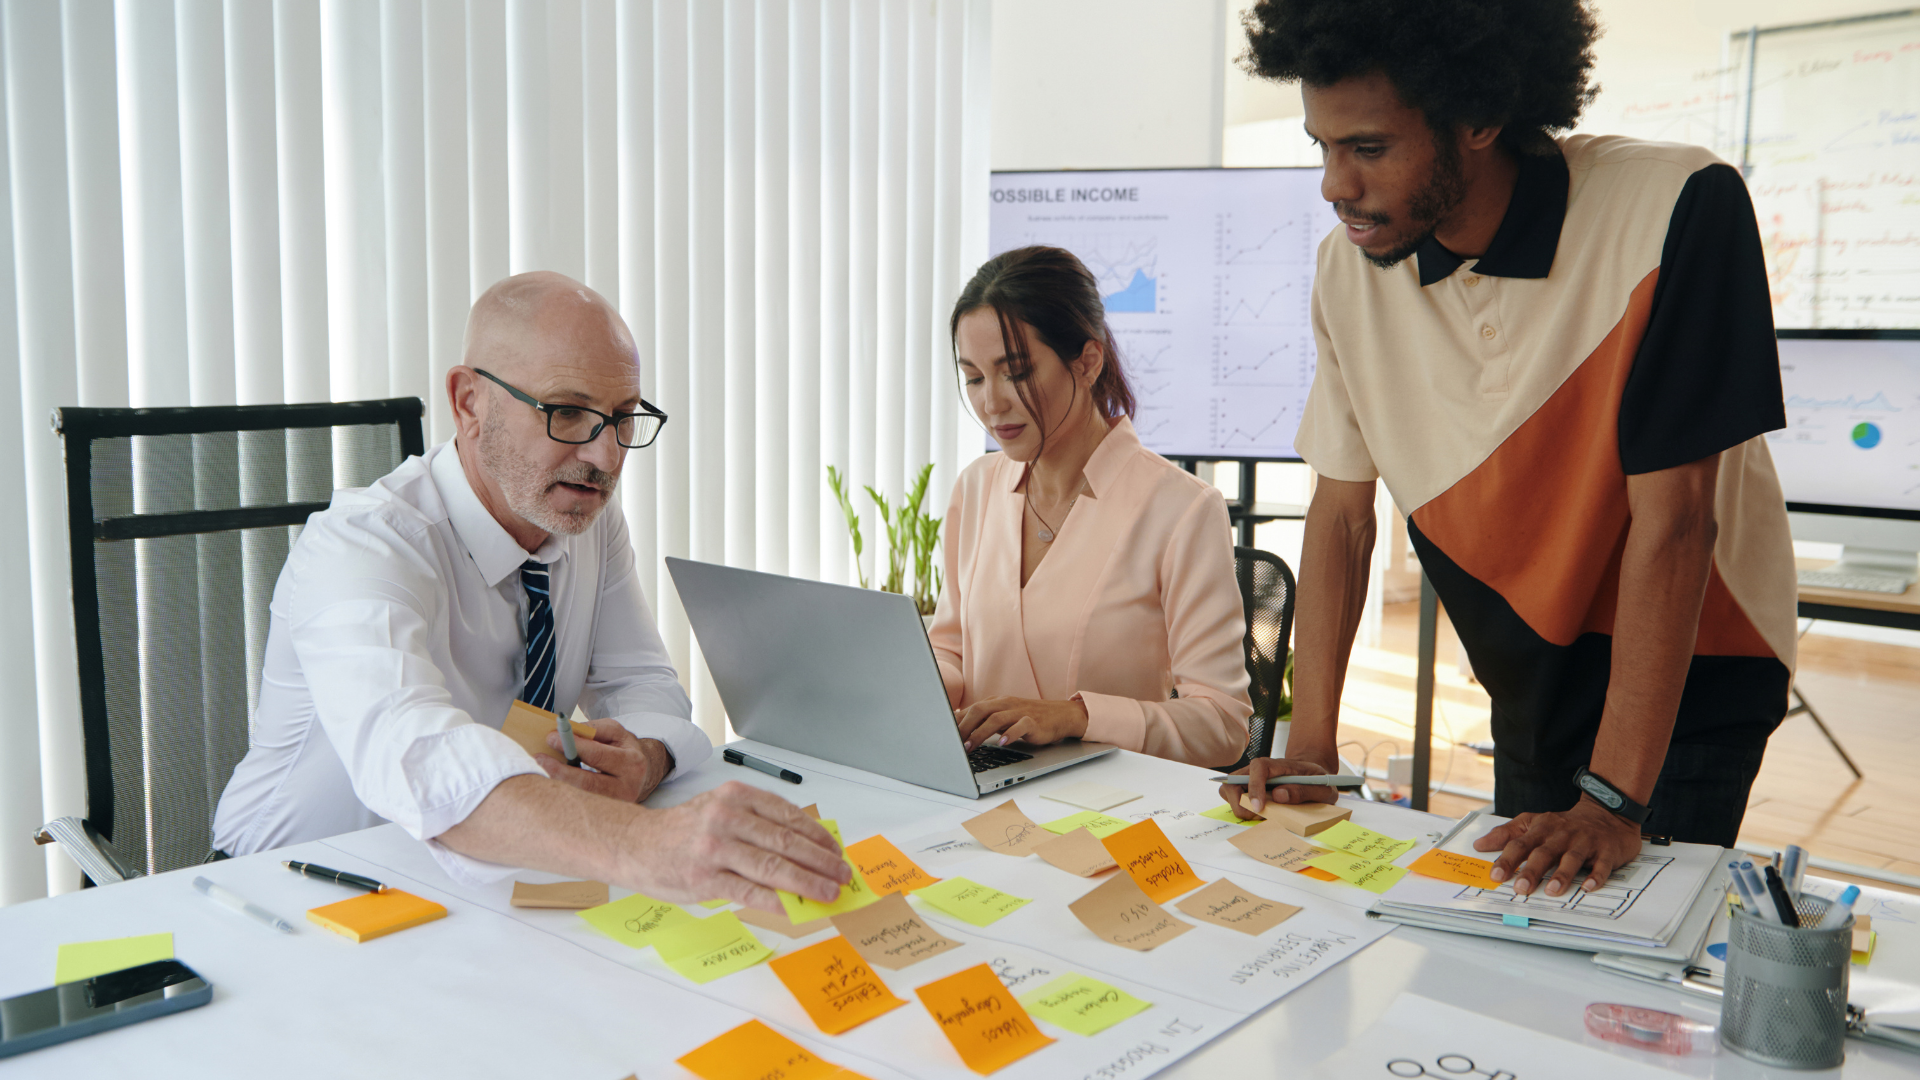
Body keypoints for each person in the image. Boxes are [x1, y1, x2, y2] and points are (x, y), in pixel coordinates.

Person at [1223, 0, 1797, 898]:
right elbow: (1340, 515)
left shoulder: (1678, 204)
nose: (1335, 184)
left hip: (1696, 670)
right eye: (1322, 147)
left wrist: (1612, 801)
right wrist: (1313, 750)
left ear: (1480, 117)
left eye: (1369, 148)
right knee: (1518, 933)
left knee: (1619, 940)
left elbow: (1678, 523)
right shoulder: (1347, 270)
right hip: (1526, 673)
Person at [213, 272, 848, 910]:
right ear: (469, 403)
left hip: (476, 895)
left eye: (622, 418)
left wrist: (645, 758)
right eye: (567, 412)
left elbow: (642, 684)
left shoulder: (584, 519)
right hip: (286, 894)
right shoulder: (361, 546)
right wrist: (643, 842)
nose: (605, 458)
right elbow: (418, 758)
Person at [931, 246, 1254, 768]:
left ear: (1087, 362)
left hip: (1109, 801)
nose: (991, 403)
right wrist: (921, 687)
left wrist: (1077, 716)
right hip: (981, 787)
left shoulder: (1182, 509)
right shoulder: (976, 488)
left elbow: (1222, 725)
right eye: (974, 377)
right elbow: (951, 649)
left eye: (1016, 372)